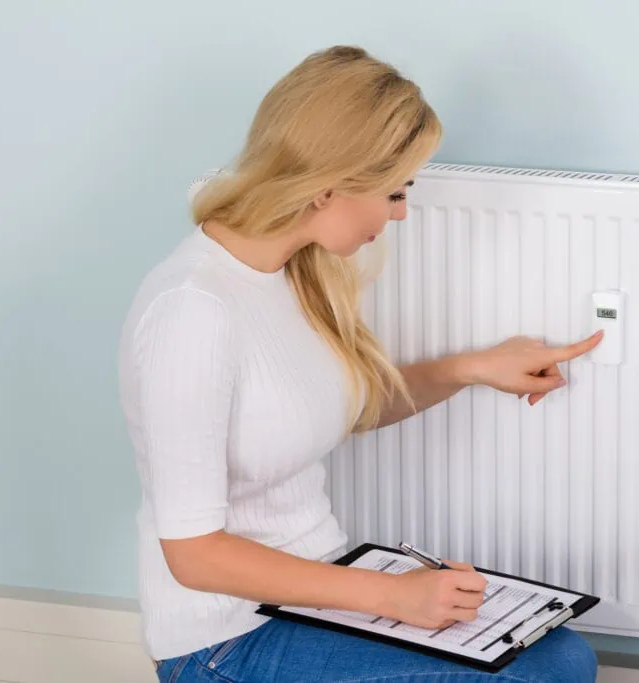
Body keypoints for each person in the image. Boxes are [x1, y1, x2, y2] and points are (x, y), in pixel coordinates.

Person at [118, 45, 603, 682]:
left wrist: (472, 367)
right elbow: (194, 555)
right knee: (540, 678)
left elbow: (337, 408)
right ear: (328, 185)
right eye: (395, 191)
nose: (400, 212)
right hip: (225, 640)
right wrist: (393, 597)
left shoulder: (291, 275)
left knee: (561, 656)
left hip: (315, 596)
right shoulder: (192, 312)